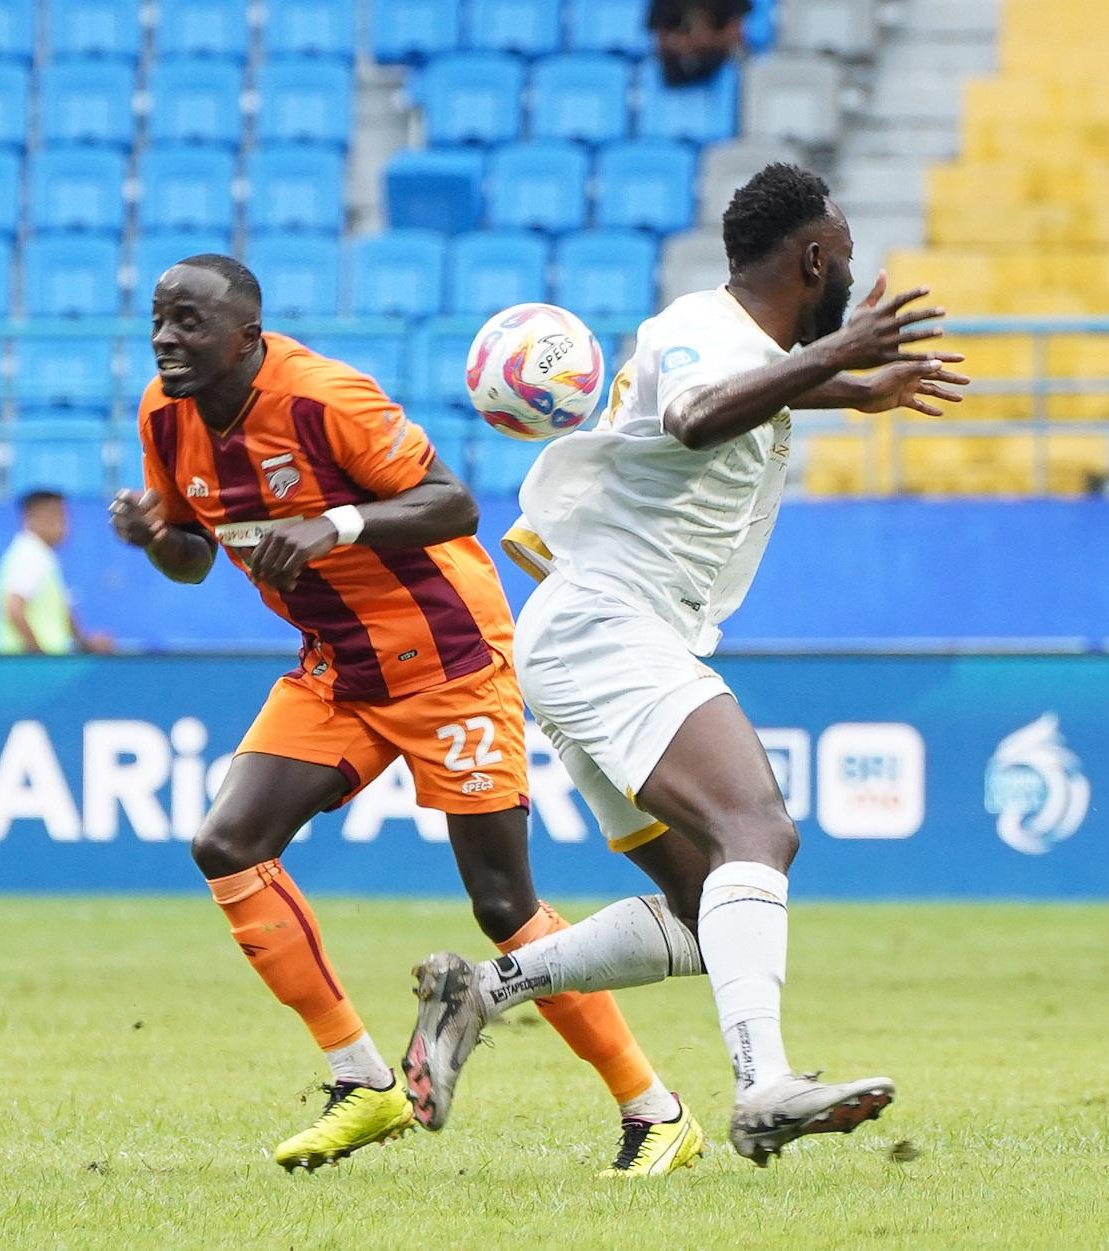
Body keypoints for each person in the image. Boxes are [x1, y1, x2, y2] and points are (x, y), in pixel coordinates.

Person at [403, 164, 971, 1167]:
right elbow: (697, 415)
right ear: (812, 260)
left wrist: (853, 387)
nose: (848, 278)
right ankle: (765, 1087)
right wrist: (842, 352)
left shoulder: (739, 342)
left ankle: (483, 991)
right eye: (840, 261)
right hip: (610, 625)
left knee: (708, 911)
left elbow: (741, 393)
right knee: (759, 828)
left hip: (594, 635)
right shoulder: (698, 330)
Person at [108, 255, 699, 1177]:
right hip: (336, 670)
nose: (166, 339)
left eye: (187, 323)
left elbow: (452, 502)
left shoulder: (322, 399)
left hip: (449, 659)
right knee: (228, 842)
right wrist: (155, 540)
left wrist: (333, 526)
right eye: (158, 320)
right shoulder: (163, 415)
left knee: (502, 906)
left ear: (247, 339)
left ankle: (653, 1110)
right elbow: (193, 554)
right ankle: (361, 1080)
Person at [0, 489, 112, 655]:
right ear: (30, 519)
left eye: (64, 517)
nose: (63, 524)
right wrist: (40, 657)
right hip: (29, 671)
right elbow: (13, 608)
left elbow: (65, 613)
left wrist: (86, 644)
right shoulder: (29, 555)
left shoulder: (42, 556)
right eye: (55, 517)